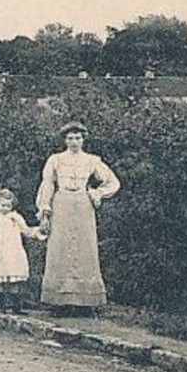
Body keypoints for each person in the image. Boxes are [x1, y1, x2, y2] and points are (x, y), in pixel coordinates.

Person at [35, 122, 121, 312]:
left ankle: (85, 303)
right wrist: (45, 210)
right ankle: (58, 302)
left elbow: (113, 182)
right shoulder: (55, 160)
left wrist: (97, 193)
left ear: (83, 139)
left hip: (83, 205)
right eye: (70, 138)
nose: (74, 141)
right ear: (65, 140)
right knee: (59, 247)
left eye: (78, 138)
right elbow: (47, 184)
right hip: (61, 203)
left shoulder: (91, 160)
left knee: (85, 248)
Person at [0, 188, 44, 312]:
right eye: (2, 205)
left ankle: (16, 307)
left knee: (15, 280)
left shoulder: (16, 217)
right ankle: (1, 306)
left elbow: (26, 231)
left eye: (8, 205)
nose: (5, 208)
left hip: (13, 252)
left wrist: (39, 231)